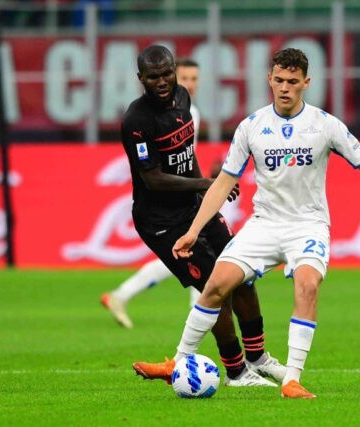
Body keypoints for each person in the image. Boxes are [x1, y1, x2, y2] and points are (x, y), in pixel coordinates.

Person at [136, 48, 360, 399]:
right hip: (264, 223)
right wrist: (193, 231)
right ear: (270, 79)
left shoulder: (325, 125)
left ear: (306, 83)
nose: (285, 88)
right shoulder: (251, 127)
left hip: (308, 224)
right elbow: (223, 182)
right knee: (217, 285)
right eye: (279, 80)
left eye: (293, 82)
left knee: (308, 284)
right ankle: (178, 360)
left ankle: (292, 380)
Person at [118, 45, 285, 387]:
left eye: (167, 73)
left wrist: (206, 194)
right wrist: (208, 184)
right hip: (161, 221)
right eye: (153, 77)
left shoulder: (182, 99)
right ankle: (237, 373)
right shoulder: (137, 121)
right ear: (141, 79)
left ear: (174, 70)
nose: (162, 82)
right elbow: (152, 178)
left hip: (195, 205)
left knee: (243, 275)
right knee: (215, 288)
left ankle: (258, 357)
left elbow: (187, 153)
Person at [101, 58, 203, 329]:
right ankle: (199, 314)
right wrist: (204, 185)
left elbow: (187, 154)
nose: (189, 84)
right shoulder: (143, 117)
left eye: (195, 78)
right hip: (170, 199)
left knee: (187, 256)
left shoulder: (188, 107)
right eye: (185, 78)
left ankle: (121, 295)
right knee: (198, 258)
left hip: (189, 193)